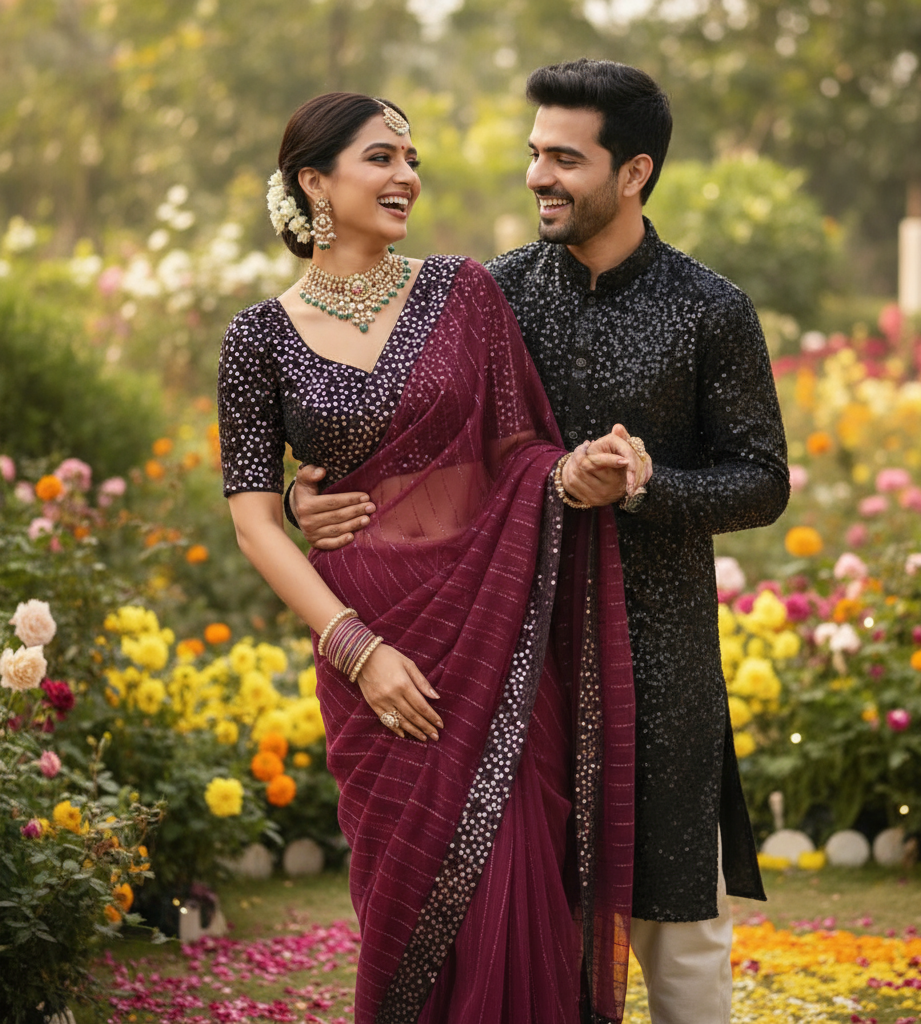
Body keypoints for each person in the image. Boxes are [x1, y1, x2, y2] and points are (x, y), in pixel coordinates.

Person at [289, 62, 791, 1024]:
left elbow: (762, 479)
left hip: (657, 667)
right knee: (523, 943)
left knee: (680, 950)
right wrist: (319, 501)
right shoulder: (489, 296)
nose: (537, 177)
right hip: (510, 668)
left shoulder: (708, 310)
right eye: (534, 153)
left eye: (565, 158)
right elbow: (411, 445)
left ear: (634, 171)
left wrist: (648, 487)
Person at [217, 91, 647, 1024]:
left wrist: (573, 473)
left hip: (490, 630)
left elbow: (519, 450)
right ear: (313, 182)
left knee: (510, 870)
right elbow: (255, 522)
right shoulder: (258, 338)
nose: (407, 177)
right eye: (381, 158)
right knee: (407, 894)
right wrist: (356, 651)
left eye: (411, 159)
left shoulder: (463, 293)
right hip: (371, 652)